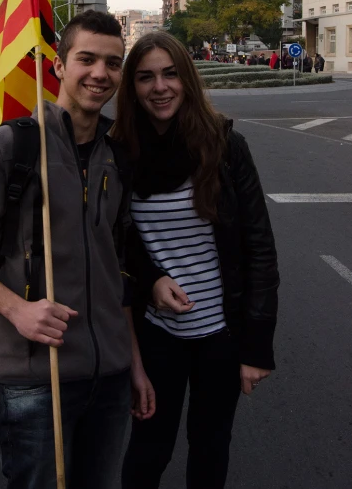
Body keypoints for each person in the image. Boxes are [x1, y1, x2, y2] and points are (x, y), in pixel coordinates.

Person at [0, 10, 154, 489]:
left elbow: (118, 270)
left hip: (111, 375)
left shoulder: (118, 155)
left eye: (113, 63)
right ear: (58, 65)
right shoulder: (6, 148)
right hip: (36, 374)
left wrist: (134, 365)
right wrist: (16, 310)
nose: (101, 73)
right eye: (87, 59)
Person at [113, 32, 279, 489]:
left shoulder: (226, 146)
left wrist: (256, 347)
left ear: (187, 79)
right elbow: (118, 245)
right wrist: (150, 281)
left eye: (170, 74)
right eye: (145, 77)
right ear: (132, 87)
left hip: (221, 334)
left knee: (211, 446)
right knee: (150, 446)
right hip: (155, 333)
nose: (159, 87)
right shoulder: (119, 152)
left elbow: (259, 247)